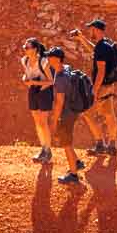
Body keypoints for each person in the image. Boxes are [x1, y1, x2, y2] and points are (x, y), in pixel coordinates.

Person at [72, 18, 117, 158]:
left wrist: (94, 91)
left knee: (87, 113)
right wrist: (82, 39)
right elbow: (94, 50)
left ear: (96, 29)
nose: (90, 31)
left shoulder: (102, 47)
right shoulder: (105, 44)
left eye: (91, 29)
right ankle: (112, 145)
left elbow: (101, 71)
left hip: (102, 87)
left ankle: (100, 144)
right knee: (109, 115)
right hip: (108, 86)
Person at [44, 46, 87, 184]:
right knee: (67, 140)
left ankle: (73, 175)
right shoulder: (66, 69)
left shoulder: (60, 78)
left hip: (66, 114)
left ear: (56, 59)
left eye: (50, 57)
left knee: (66, 143)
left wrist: (54, 121)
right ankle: (77, 162)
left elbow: (59, 102)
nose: (48, 59)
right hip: (73, 111)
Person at [19, 37, 54, 163]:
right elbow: (27, 74)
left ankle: (48, 151)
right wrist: (25, 79)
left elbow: (51, 81)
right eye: (24, 47)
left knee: (43, 122)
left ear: (34, 49)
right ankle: (43, 149)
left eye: (27, 47)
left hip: (44, 92)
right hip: (33, 91)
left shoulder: (43, 61)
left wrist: (34, 82)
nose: (25, 49)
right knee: (37, 122)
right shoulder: (25, 60)